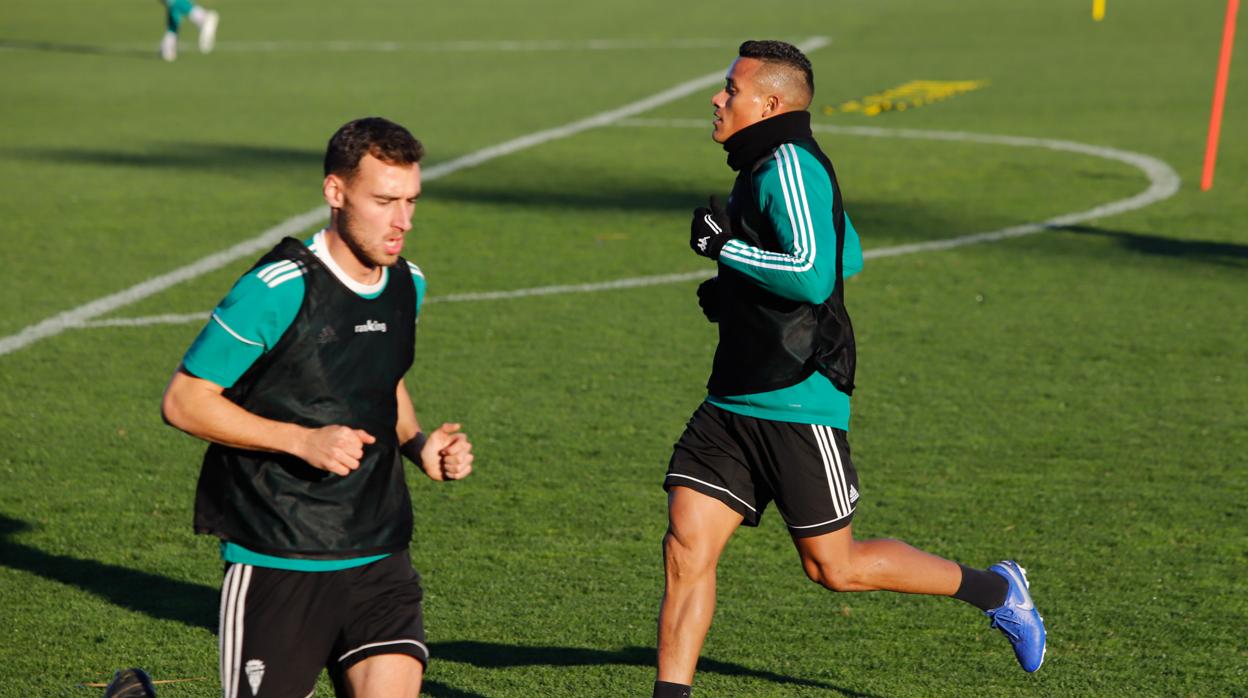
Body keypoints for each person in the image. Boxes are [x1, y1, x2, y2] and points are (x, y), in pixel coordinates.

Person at [654, 41, 1045, 697]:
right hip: (732, 401)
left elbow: (814, 274)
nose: (717, 98)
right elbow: (849, 254)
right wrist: (738, 293)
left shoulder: (790, 167)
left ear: (770, 104)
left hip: (798, 397)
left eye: (731, 89)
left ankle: (997, 590)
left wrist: (729, 251)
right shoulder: (756, 168)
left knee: (836, 568)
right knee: (686, 551)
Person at [161, 117, 473, 698]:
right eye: (383, 200)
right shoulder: (277, 287)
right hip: (280, 555)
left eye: (411, 201)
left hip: (379, 552)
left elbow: (382, 378)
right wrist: (302, 440)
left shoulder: (409, 283)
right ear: (335, 192)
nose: (402, 220)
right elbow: (184, 401)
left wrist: (418, 443)